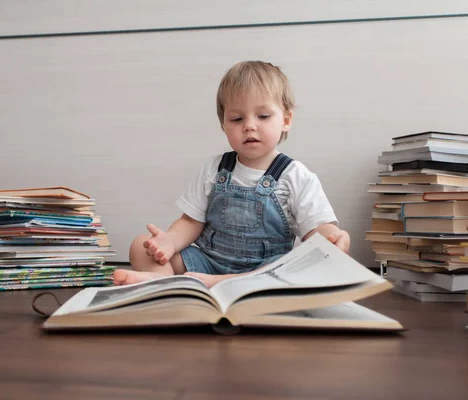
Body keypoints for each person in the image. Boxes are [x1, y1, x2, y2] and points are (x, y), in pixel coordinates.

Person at [113, 61, 350, 288]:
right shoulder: (215, 169)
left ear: (286, 120)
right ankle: (162, 281)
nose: (249, 126)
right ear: (223, 124)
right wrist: (169, 242)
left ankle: (228, 283)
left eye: (263, 116)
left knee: (302, 262)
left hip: (265, 269)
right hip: (207, 265)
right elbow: (191, 222)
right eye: (237, 119)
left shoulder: (296, 175)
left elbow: (316, 228)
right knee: (140, 245)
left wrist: (332, 236)